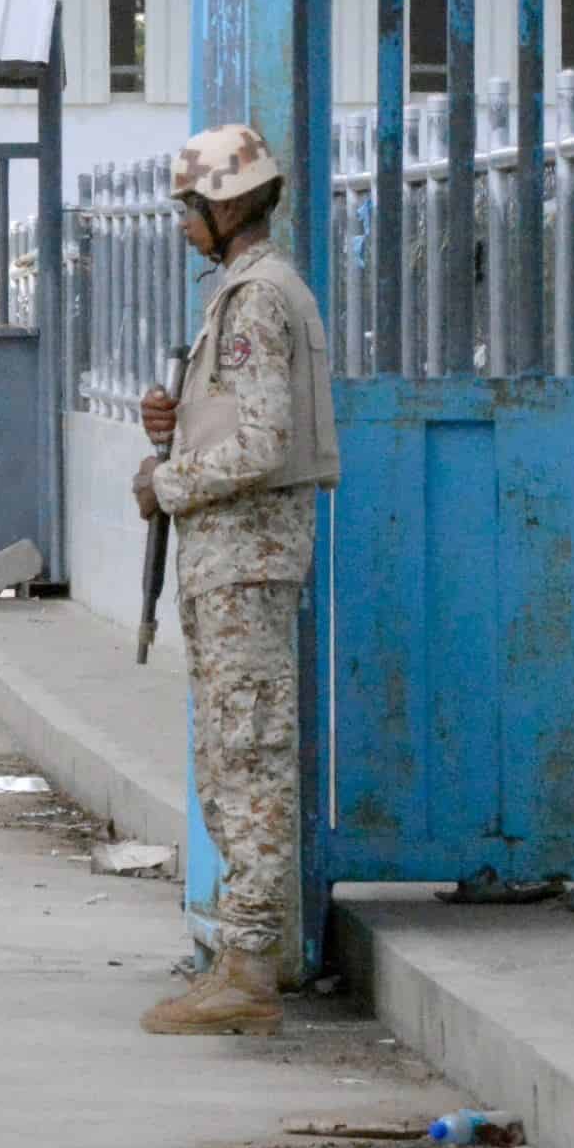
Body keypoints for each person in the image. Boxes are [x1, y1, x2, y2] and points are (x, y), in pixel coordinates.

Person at [132, 124, 340, 1037]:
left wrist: (167, 482)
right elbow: (246, 421)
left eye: (190, 207)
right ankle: (246, 955)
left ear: (225, 206)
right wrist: (175, 426)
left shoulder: (256, 300)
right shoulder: (245, 294)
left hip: (244, 560)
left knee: (245, 760)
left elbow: (263, 444)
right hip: (233, 562)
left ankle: (251, 965)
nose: (183, 224)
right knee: (229, 755)